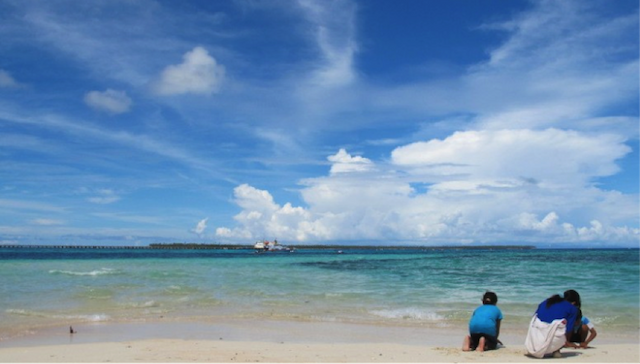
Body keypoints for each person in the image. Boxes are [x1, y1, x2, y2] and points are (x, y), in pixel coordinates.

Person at [525, 290, 581, 358]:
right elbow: (569, 329)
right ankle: (556, 350)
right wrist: (567, 342)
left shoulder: (545, 302)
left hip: (532, 340)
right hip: (552, 344)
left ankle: (551, 348)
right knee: (561, 325)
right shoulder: (572, 308)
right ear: (574, 302)